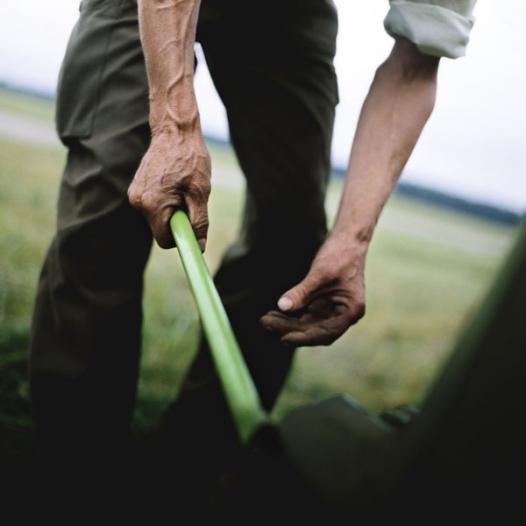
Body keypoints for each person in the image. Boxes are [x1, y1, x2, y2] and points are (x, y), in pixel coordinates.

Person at [27, 0, 478, 494]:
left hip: (288, 13)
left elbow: (417, 59)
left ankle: (192, 471)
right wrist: (173, 127)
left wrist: (353, 239)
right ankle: (76, 476)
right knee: (108, 207)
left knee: (293, 242)